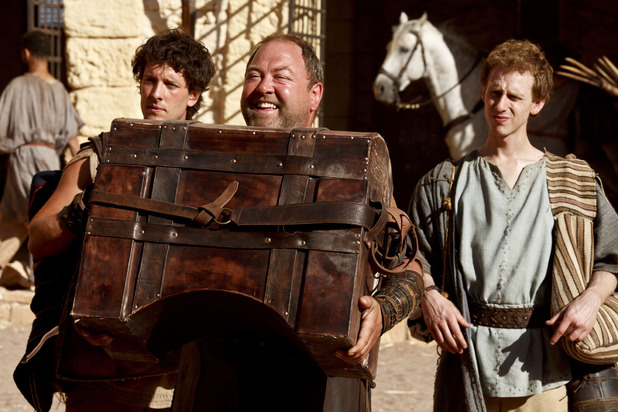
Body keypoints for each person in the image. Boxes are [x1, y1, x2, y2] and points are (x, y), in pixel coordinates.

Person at [171, 33, 423, 412]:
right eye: (253, 75)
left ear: (315, 95)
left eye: (281, 76)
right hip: (214, 383)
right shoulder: (209, 159)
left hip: (320, 385)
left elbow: (410, 270)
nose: (264, 87)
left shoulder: (349, 167)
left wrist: (383, 311)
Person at [409, 39, 618, 412]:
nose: (500, 105)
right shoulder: (444, 182)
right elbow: (411, 259)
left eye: (514, 97)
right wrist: (429, 297)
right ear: (483, 92)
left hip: (546, 375)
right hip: (466, 369)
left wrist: (592, 299)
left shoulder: (574, 181)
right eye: (494, 93)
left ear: (537, 104)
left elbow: (611, 258)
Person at [16, 28, 215, 412]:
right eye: (149, 80)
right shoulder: (104, 155)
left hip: (190, 355)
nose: (156, 94)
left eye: (170, 84)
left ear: (193, 95)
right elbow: (39, 237)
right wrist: (87, 207)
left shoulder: (218, 158)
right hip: (109, 358)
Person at [0, 30, 83, 289]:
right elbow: (72, 138)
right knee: (38, 213)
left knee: (18, 216)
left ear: (26, 53)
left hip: (23, 156)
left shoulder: (16, 86)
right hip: (49, 158)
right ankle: (37, 275)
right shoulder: (59, 90)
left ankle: (36, 277)